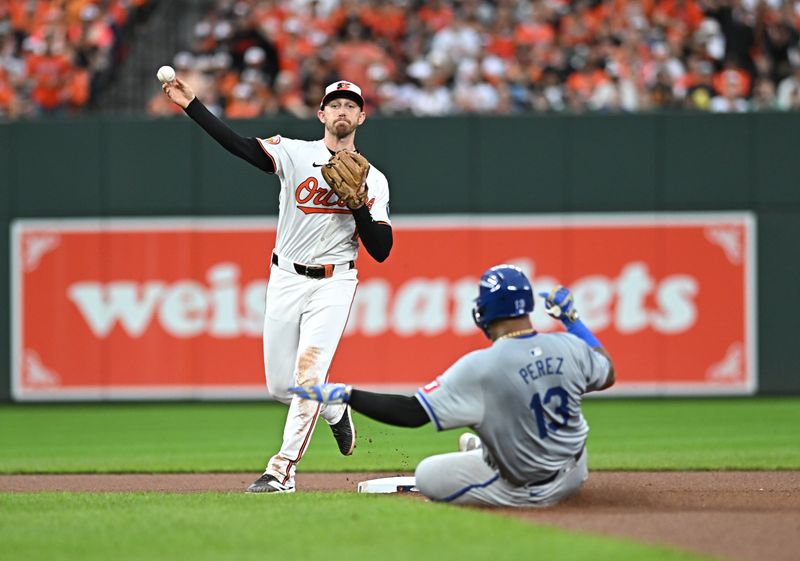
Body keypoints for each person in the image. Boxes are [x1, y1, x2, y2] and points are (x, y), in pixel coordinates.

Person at [161, 77, 393, 493]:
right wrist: (192, 105)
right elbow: (239, 146)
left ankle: (281, 470)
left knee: (307, 378)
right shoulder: (295, 153)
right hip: (285, 275)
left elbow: (381, 249)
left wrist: (357, 205)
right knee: (279, 386)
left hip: (334, 280)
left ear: (361, 116)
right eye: (334, 104)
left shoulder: (373, 179)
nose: (342, 110)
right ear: (321, 114)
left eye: (350, 105)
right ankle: (334, 406)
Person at [290, 265, 615, 507]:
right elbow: (608, 371)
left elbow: (413, 413)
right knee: (508, 416)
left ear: (485, 311)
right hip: (574, 470)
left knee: (429, 474)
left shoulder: (482, 366)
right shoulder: (569, 346)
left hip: (527, 489)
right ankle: (487, 453)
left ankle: (491, 464)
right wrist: (572, 320)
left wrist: (348, 395)